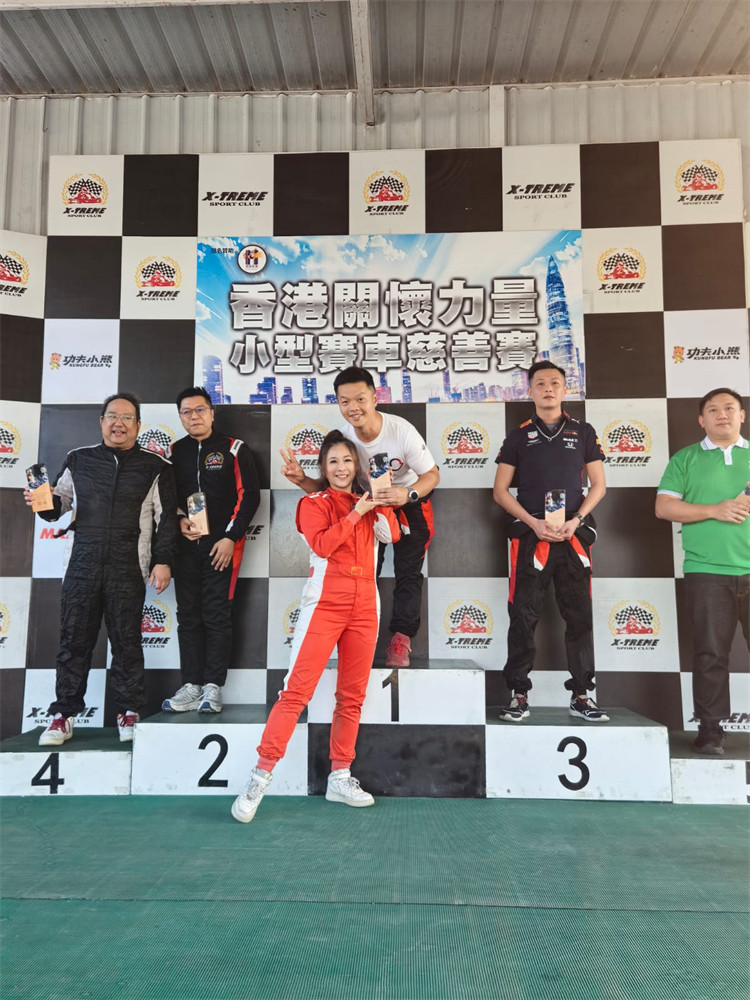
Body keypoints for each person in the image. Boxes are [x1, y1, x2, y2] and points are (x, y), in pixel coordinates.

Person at [232, 430, 401, 823]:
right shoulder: (313, 502)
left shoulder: (369, 502)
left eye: (348, 460)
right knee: (295, 693)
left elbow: (392, 535)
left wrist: (379, 498)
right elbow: (323, 545)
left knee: (351, 697)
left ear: (358, 466)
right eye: (333, 462)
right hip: (325, 604)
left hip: (366, 605)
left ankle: (339, 776)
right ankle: (259, 778)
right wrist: (357, 512)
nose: (341, 468)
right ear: (323, 468)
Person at [26, 394, 178, 745]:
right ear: (101, 422)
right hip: (82, 563)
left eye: (126, 418)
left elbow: (167, 519)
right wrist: (40, 502)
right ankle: (63, 715)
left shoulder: (157, 466)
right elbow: (58, 506)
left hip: (128, 565)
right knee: (73, 641)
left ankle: (129, 711)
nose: (118, 423)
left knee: (127, 642)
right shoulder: (78, 459)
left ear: (138, 425)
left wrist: (163, 560)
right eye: (112, 416)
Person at [280, 366, 439, 667]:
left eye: (360, 399)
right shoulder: (342, 438)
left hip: (409, 501)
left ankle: (401, 639)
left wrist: (407, 494)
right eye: (345, 401)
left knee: (408, 572)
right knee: (365, 572)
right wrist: (302, 480)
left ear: (375, 398)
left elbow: (432, 475)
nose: (353, 407)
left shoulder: (400, 430)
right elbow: (328, 490)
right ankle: (355, 639)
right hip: (366, 505)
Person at [492, 361, 609, 722]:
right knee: (522, 617)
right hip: (532, 537)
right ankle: (518, 694)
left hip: (572, 537)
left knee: (579, 616)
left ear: (564, 389)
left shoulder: (583, 431)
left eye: (555, 383)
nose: (548, 388)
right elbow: (500, 491)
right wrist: (533, 523)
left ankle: (582, 695)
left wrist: (576, 521)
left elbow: (599, 485)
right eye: (540, 383)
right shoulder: (518, 435)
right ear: (529, 391)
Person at [655, 388, 750, 755]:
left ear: (741, 415)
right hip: (706, 571)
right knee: (710, 654)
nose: (721, 414)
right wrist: (715, 509)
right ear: (701, 419)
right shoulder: (685, 459)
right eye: (713, 409)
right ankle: (710, 731)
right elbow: (664, 507)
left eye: (729, 408)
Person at [162, 387, 260, 714]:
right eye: (187, 412)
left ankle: (213, 687)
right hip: (187, 545)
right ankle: (191, 685)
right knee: (188, 615)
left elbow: (249, 496)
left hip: (222, 545)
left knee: (217, 614)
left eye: (200, 410)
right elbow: (168, 498)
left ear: (212, 413)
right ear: (180, 417)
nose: (194, 417)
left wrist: (230, 537)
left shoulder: (234, 448)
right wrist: (179, 520)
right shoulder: (174, 451)